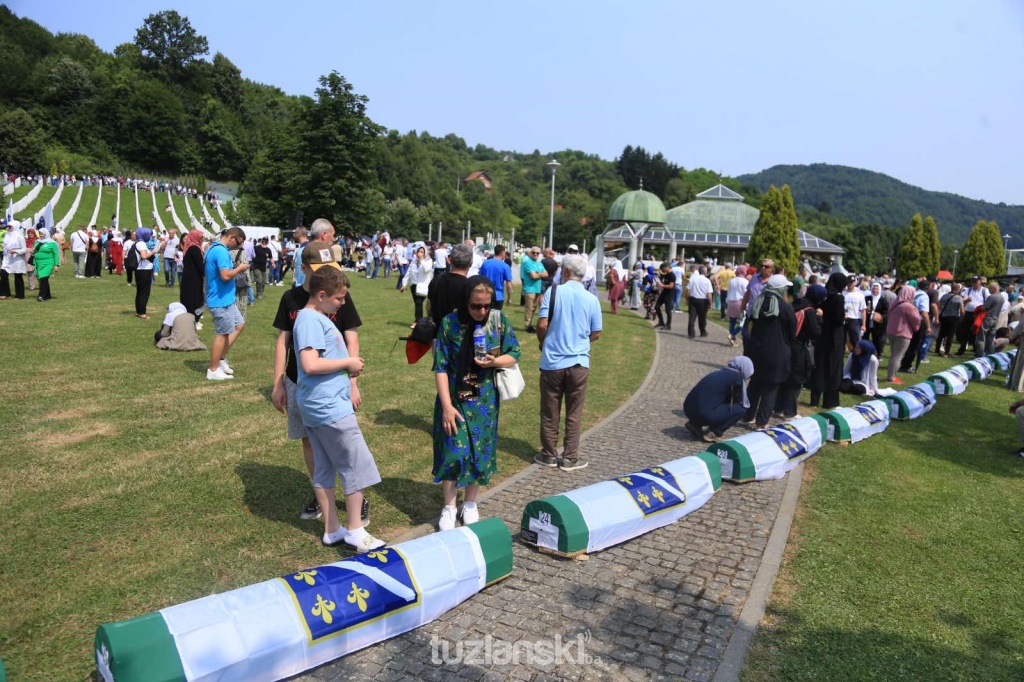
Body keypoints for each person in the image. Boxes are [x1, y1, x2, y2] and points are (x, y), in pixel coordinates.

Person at [273, 238, 366, 523]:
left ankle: (353, 498)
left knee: (342, 444)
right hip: (298, 380)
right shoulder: (292, 299)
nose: (326, 272)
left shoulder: (339, 295)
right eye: (319, 268)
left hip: (331, 384)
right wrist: (278, 383)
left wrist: (352, 381)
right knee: (310, 441)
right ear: (304, 268)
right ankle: (322, 497)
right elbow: (283, 342)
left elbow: (351, 335)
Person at [293, 266, 384, 551]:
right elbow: (310, 364)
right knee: (354, 465)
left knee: (325, 467)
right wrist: (348, 363)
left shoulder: (314, 317)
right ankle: (356, 530)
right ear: (321, 295)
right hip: (328, 407)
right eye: (339, 299)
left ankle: (333, 529)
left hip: (320, 405)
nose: (343, 303)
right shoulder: (310, 320)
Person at [433, 275, 521, 530]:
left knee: (479, 451)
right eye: (476, 306)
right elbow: (440, 366)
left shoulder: (498, 320)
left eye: (486, 305)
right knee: (453, 450)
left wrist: (494, 362)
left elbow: (514, 353)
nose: (482, 311)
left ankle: (470, 502)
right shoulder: (450, 323)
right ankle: (449, 506)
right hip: (454, 396)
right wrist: (447, 406)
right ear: (465, 301)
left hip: (484, 400)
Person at [534, 254, 602, 471]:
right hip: (579, 362)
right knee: (574, 412)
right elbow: (597, 332)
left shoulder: (553, 292)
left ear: (565, 272)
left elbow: (543, 324)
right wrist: (581, 342)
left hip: (553, 361)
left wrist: (544, 342)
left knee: (549, 410)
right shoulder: (591, 299)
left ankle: (549, 454)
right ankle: (570, 457)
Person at [742, 274, 796, 428]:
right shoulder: (785, 307)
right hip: (777, 352)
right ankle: (762, 422)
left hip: (757, 350)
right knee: (771, 387)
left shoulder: (757, 303)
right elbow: (792, 331)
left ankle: (747, 415)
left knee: (756, 384)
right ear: (781, 289)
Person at [205, 228, 249, 380]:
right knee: (222, 334)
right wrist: (240, 268)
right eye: (239, 242)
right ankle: (213, 369)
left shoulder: (215, 248)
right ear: (232, 237)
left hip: (226, 299)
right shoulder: (221, 251)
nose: (238, 246)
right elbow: (225, 275)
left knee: (239, 324)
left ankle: (221, 359)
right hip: (220, 300)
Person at [683, 357, 754, 442]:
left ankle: (694, 424)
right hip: (703, 414)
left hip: (688, 409)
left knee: (710, 402)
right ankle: (714, 433)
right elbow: (739, 401)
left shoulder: (720, 372)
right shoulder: (737, 377)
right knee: (741, 408)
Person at [776, 286, 821, 419]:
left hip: (785, 343)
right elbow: (815, 332)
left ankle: (777, 407)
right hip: (799, 347)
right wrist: (820, 319)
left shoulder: (794, 303)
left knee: (784, 377)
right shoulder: (810, 311)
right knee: (796, 379)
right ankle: (790, 411)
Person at [808, 273, 848, 408]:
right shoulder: (839, 298)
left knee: (820, 365)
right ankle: (830, 401)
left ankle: (814, 399)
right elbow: (838, 319)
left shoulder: (825, 296)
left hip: (823, 333)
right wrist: (844, 317)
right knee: (833, 366)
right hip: (835, 335)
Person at [428, 243, 473, 329]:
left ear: (450, 260)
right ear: (471, 262)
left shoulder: (437, 279)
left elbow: (429, 306)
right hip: (458, 334)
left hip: (436, 331)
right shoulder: (469, 286)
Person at [884, 285, 921, 385]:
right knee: (898, 356)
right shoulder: (908, 306)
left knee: (893, 355)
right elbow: (916, 320)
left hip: (891, 331)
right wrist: (916, 328)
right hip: (903, 333)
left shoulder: (894, 302)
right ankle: (891, 377)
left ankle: (891, 375)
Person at [132, 227, 164, 319]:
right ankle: (142, 312)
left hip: (140, 270)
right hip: (144, 270)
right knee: (144, 292)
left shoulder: (138, 243)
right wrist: (154, 251)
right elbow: (144, 256)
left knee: (140, 291)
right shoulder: (142, 244)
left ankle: (139, 311)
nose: (150, 236)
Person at [179, 229, 206, 327]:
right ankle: (194, 321)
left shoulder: (190, 247)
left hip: (189, 278)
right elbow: (200, 265)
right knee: (196, 300)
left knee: (191, 299)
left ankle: (193, 320)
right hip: (193, 279)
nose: (202, 239)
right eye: (201, 237)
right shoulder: (194, 248)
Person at [400, 245, 434, 321]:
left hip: (424, 285)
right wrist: (404, 284)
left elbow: (427, 269)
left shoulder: (429, 260)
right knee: (417, 303)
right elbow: (409, 272)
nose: (419, 253)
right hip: (414, 285)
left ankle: (418, 321)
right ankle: (421, 319)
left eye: (422, 252)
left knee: (419, 302)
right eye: (418, 251)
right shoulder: (414, 260)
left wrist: (422, 259)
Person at [956, 276, 987, 356]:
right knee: (965, 331)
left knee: (976, 331)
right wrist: (966, 299)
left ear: (980, 282)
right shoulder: (969, 290)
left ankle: (976, 349)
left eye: (975, 282)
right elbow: (963, 298)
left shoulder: (984, 291)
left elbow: (987, 301)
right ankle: (962, 349)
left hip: (978, 313)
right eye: (973, 282)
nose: (974, 283)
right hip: (968, 312)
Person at [520, 246, 547, 332]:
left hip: (537, 289)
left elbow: (546, 274)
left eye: (537, 253)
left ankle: (530, 325)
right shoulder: (528, 263)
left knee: (534, 308)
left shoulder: (539, 263)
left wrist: (537, 273)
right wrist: (540, 274)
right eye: (533, 252)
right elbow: (533, 276)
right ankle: (527, 326)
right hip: (529, 289)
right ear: (530, 253)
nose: (535, 254)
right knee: (529, 308)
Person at [479, 245, 513, 311]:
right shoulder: (505, 266)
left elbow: (480, 278)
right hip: (498, 296)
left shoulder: (485, 263)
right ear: (503, 253)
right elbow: (509, 285)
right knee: (496, 318)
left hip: (485, 294)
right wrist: (509, 298)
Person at [936, 282, 965, 357]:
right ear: (958, 289)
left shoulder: (945, 296)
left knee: (941, 334)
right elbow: (962, 310)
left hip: (944, 316)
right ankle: (946, 352)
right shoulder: (958, 298)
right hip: (953, 317)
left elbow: (938, 304)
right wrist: (962, 317)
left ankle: (937, 349)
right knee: (950, 335)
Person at [32, 228, 61, 301]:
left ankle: (42, 295)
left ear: (46, 234)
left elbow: (56, 254)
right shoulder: (37, 242)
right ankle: (48, 295)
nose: (41, 235)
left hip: (48, 263)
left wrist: (56, 265)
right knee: (42, 278)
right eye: (40, 233)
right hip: (38, 263)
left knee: (43, 278)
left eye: (42, 233)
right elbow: (35, 250)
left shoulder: (52, 243)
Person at [977, 282, 1006, 356]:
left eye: (990, 288)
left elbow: (984, 307)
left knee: (981, 338)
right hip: (995, 319)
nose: (989, 289)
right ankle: (990, 354)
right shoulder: (1002, 298)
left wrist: (979, 307)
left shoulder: (991, 297)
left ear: (995, 289)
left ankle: (980, 354)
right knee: (990, 339)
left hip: (987, 318)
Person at [1, 222, 28, 299]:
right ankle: (5, 293)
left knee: (18, 277)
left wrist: (16, 251)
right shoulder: (6, 235)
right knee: (3, 274)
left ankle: (20, 295)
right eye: (8, 226)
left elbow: (24, 249)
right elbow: (6, 245)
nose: (8, 228)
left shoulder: (19, 236)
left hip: (17, 259)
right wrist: (4, 247)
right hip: (7, 258)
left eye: (10, 226)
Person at [686, 264, 713, 338]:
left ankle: (691, 333)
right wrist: (710, 303)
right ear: (705, 272)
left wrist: (687, 299)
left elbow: (688, 291)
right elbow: (709, 294)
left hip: (693, 299)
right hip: (703, 301)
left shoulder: (693, 279)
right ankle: (702, 331)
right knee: (702, 317)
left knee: (692, 317)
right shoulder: (707, 281)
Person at [725, 265, 749, 346]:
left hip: (731, 301)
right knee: (743, 321)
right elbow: (746, 294)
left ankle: (733, 339)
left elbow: (729, 291)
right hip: (740, 302)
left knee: (732, 321)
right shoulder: (745, 281)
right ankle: (732, 335)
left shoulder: (732, 281)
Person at [843, 277, 867, 349]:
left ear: (855, 283)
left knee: (855, 340)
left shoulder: (860, 295)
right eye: (849, 282)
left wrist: (863, 324)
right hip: (843, 318)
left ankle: (857, 352)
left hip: (854, 319)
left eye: (852, 282)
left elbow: (863, 310)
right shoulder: (843, 293)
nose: (850, 284)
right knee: (842, 339)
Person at [653, 262, 676, 331]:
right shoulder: (667, 274)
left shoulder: (672, 275)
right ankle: (661, 321)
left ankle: (668, 325)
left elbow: (671, 286)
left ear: (666, 267)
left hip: (669, 294)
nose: (662, 270)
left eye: (662, 269)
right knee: (657, 306)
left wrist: (662, 285)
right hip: (664, 293)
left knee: (668, 309)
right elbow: (662, 276)